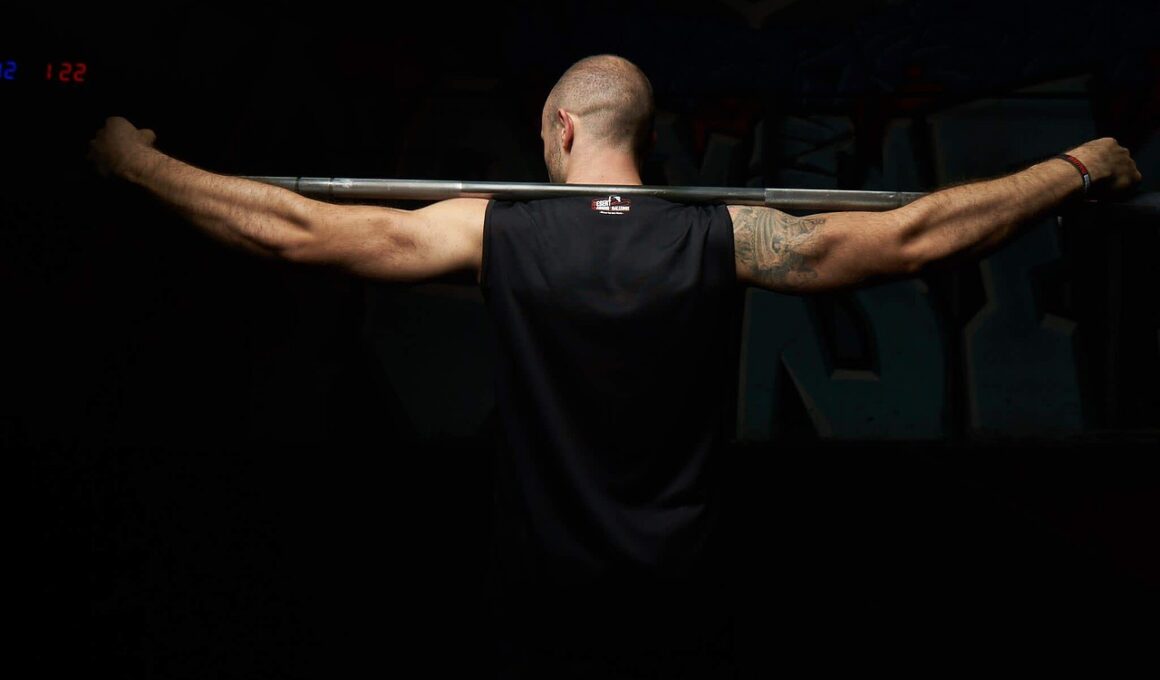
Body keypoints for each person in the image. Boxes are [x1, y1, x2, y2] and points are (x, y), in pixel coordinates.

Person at [89, 54, 1141, 677]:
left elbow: (291, 230)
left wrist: (137, 164)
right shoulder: (722, 234)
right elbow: (913, 237)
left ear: (560, 127)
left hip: (536, 600)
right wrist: (1075, 165)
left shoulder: (495, 230)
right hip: (682, 596)